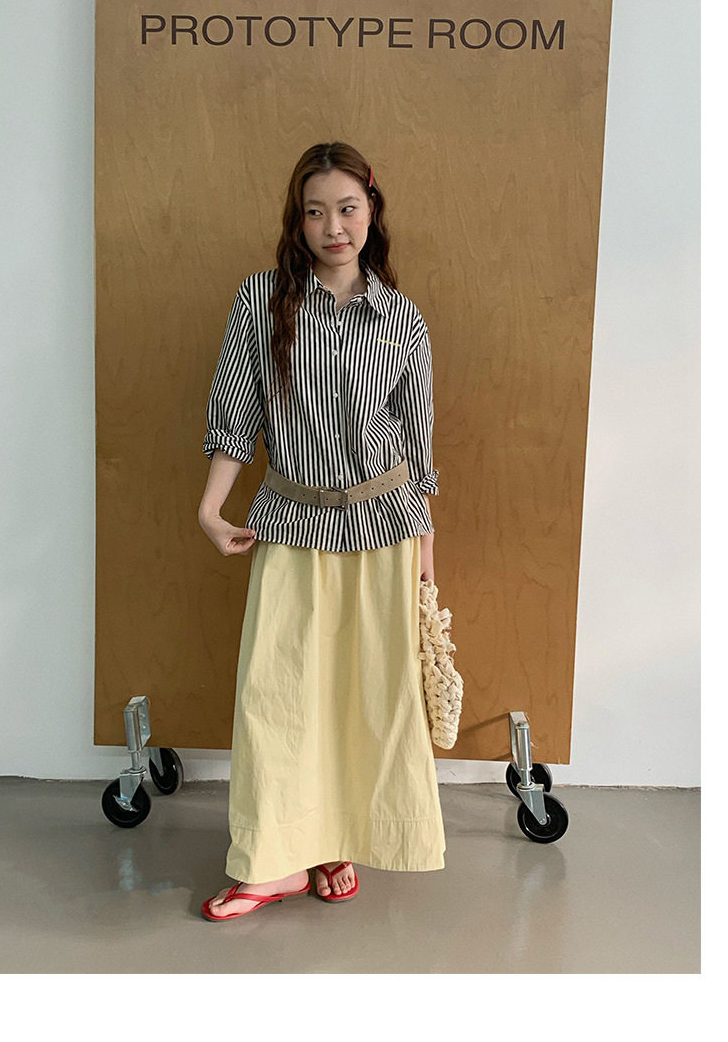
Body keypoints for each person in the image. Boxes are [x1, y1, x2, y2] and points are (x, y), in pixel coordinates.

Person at [197, 141, 446, 920]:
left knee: (366, 696)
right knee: (275, 694)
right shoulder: (261, 300)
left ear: (372, 212)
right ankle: (271, 861)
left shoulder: (402, 320)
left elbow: (419, 452)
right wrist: (211, 508)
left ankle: (337, 841)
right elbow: (236, 414)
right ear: (297, 222)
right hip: (292, 520)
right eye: (315, 212)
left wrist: (427, 555)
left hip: (385, 528)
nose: (333, 227)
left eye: (347, 208)